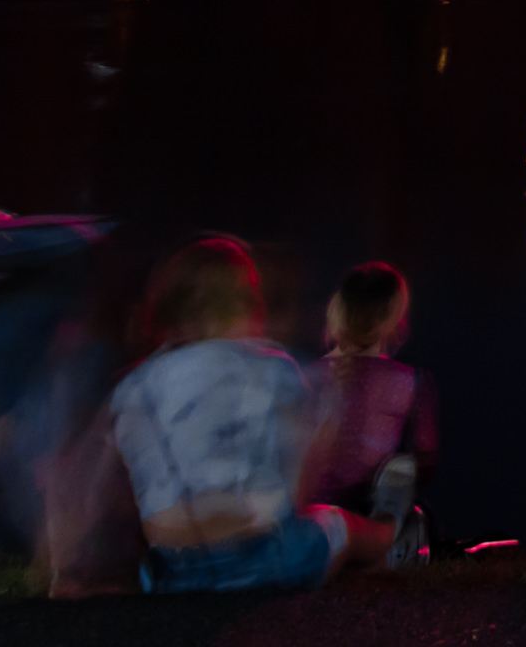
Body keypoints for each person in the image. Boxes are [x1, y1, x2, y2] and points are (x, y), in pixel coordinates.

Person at [108, 236, 394, 591]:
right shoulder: (274, 371)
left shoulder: (134, 387)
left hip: (169, 574)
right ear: (248, 302)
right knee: (343, 527)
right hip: (265, 560)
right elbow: (292, 497)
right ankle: (397, 546)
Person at [302, 263, 438, 556]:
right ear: (393, 317)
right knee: (410, 488)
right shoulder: (411, 381)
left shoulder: (304, 376)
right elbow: (425, 459)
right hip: (367, 514)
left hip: (310, 512)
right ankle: (388, 529)